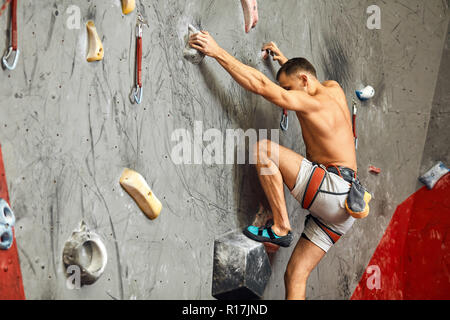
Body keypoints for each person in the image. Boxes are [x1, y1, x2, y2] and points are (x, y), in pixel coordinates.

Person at [189, 32, 358, 300]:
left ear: (303, 80)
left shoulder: (310, 100)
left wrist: (217, 51)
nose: (286, 97)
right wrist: (284, 63)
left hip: (331, 187)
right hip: (345, 207)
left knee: (263, 150)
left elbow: (261, 86)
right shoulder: (333, 89)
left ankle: (281, 227)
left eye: (288, 89)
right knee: (295, 275)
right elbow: (303, 78)